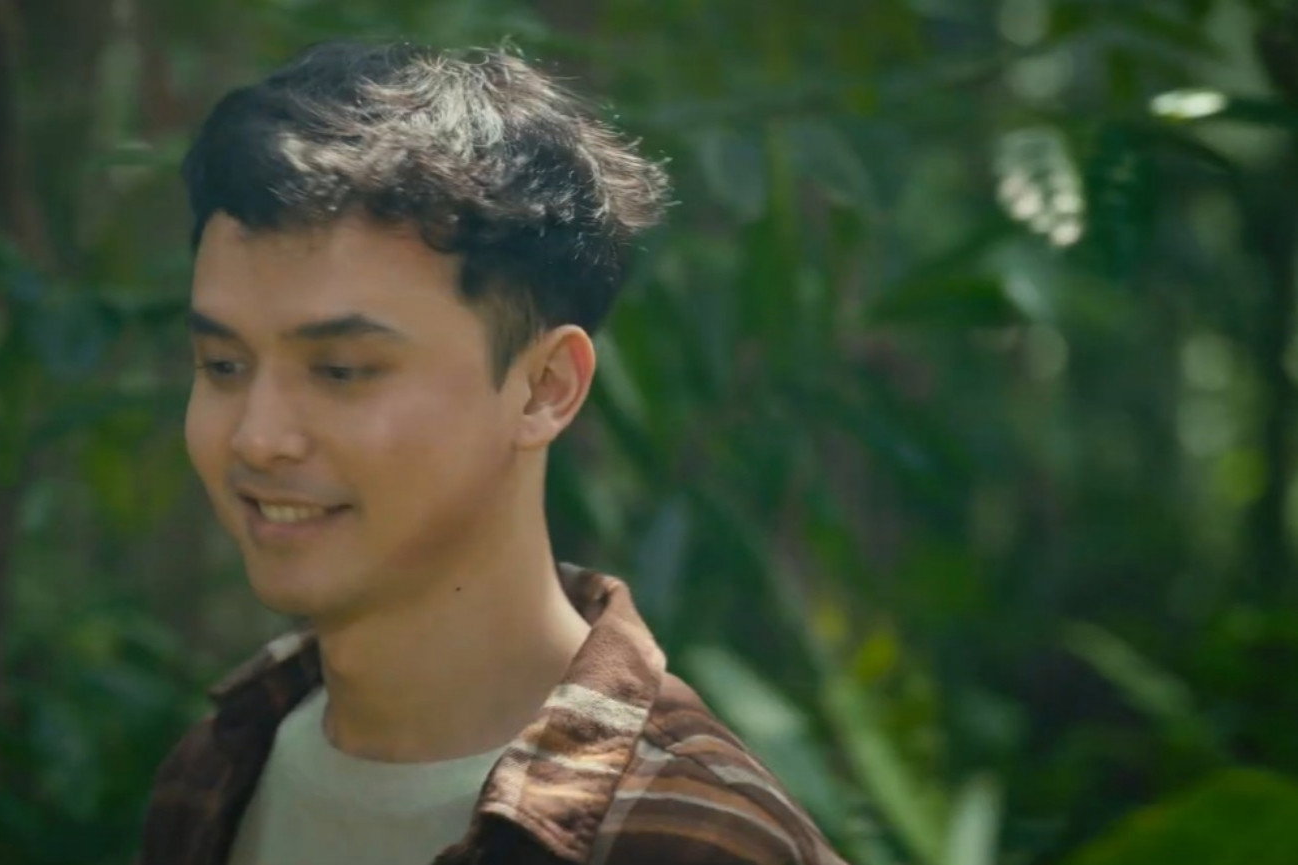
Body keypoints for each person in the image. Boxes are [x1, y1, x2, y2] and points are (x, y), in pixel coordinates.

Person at [140, 40, 848, 865]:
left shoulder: (692, 837)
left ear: (545, 387)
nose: (258, 437)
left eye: (340, 370)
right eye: (223, 365)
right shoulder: (217, 768)